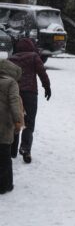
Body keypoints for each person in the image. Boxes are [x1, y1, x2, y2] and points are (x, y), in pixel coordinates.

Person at [8, 38, 51, 164]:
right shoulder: (33, 57)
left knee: (15, 120)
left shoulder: (11, 59)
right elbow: (42, 73)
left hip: (15, 93)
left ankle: (12, 150)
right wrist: (47, 87)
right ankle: (25, 149)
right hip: (30, 94)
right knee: (29, 122)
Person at [0, 59, 23, 194]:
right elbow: (15, 102)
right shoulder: (11, 83)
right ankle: (5, 185)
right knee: (4, 155)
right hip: (4, 123)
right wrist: (18, 121)